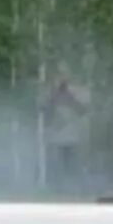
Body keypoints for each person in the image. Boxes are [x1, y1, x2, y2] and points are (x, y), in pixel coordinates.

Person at [44, 64, 92, 192]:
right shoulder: (51, 92)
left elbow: (83, 109)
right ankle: (57, 191)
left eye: (64, 74)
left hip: (73, 136)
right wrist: (54, 95)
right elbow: (44, 111)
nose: (62, 78)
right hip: (56, 137)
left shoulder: (78, 91)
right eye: (59, 74)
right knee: (57, 167)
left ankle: (80, 190)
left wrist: (69, 96)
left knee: (76, 167)